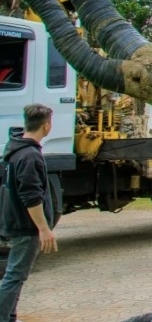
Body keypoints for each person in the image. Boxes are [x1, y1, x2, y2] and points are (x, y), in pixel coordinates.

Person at [0, 104, 57, 322]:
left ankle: (9, 316)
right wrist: (44, 229)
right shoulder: (29, 155)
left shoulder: (16, 148)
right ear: (46, 126)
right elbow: (31, 197)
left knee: (16, 275)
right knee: (14, 276)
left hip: (15, 220)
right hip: (26, 225)